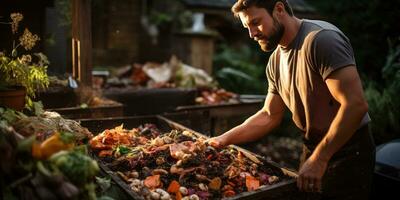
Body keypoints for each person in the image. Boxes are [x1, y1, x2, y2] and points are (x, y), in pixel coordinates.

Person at [207, 0, 375, 199]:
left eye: (256, 22)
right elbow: (269, 115)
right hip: (313, 148)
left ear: (279, 9)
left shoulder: (322, 40)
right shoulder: (275, 61)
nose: (252, 34)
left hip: (349, 151)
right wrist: (220, 140)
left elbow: (355, 105)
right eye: (247, 27)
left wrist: (320, 159)